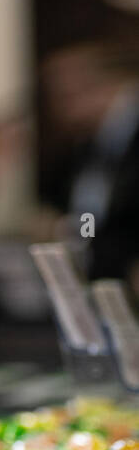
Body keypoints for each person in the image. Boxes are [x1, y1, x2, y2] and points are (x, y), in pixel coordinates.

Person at [38, 40, 139, 283]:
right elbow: (89, 216)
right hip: (104, 285)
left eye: (64, 96)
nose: (57, 109)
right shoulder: (89, 145)